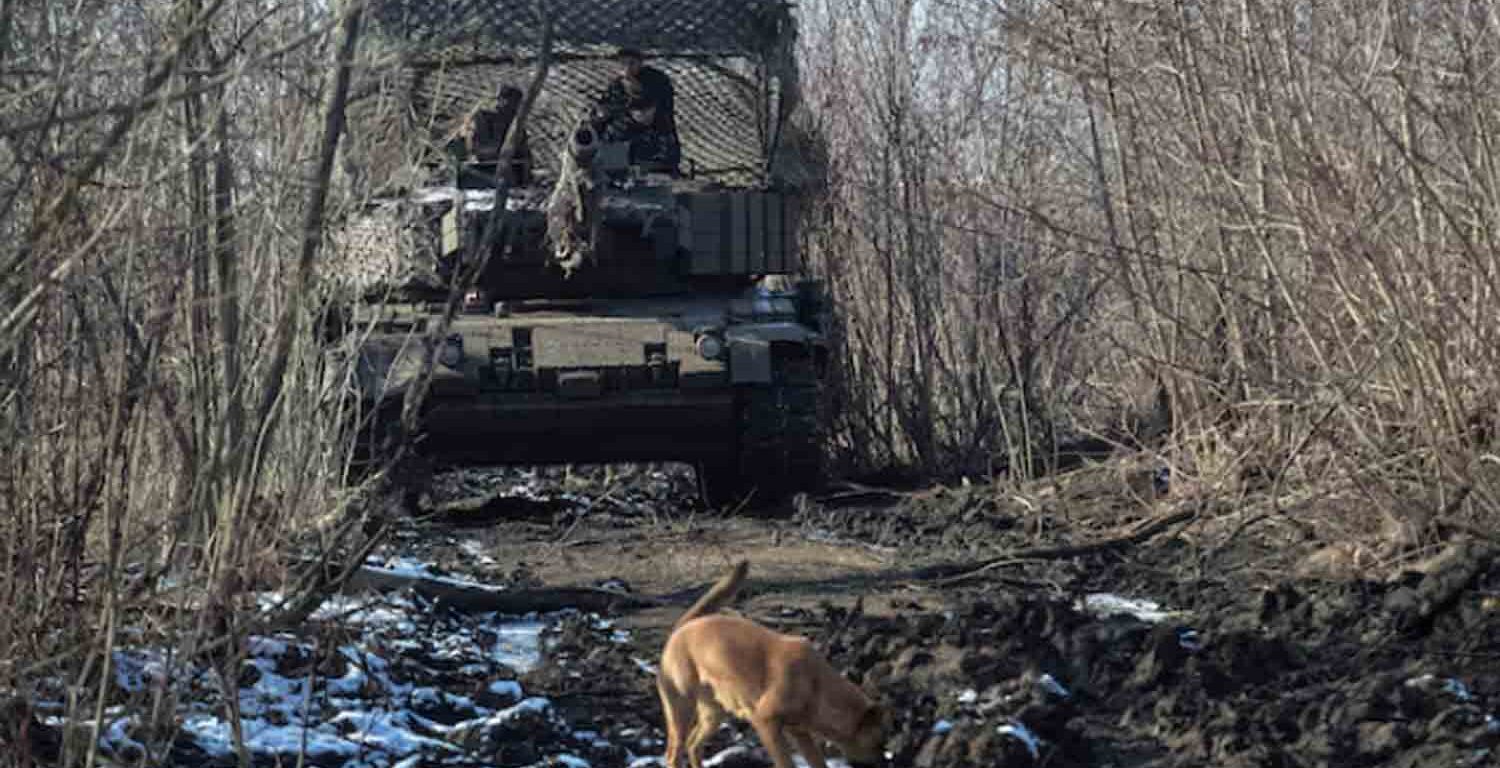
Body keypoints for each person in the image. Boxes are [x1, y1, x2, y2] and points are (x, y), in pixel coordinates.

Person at [593, 47, 681, 173]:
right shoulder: (617, 86)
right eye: (623, 64)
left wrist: (632, 94)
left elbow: (645, 117)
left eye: (631, 63)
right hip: (621, 144)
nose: (627, 68)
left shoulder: (655, 81)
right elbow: (602, 111)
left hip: (655, 144)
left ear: (640, 63)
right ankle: (614, 174)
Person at [465, 84, 532, 187]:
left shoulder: (513, 121)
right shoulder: (487, 118)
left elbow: (524, 154)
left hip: (505, 168)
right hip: (494, 167)